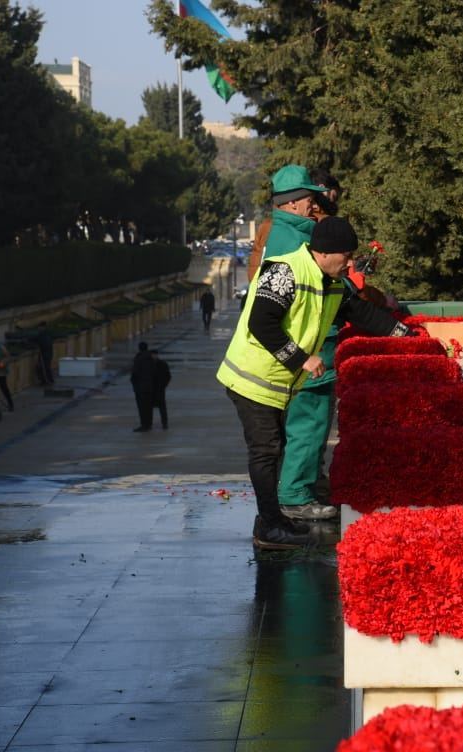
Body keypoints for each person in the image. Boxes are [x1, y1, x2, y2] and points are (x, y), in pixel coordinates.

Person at [217, 213, 412, 550]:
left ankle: (273, 519)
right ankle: (269, 526)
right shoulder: (284, 271)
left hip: (277, 384)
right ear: (324, 252)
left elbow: (359, 313)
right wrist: (301, 359)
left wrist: (404, 334)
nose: (350, 263)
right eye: (346, 256)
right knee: (265, 451)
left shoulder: (331, 283)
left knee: (274, 449)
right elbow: (261, 323)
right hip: (251, 378)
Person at [277, 168, 348, 521]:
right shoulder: (291, 240)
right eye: (310, 197)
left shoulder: (294, 233)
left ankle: (304, 486)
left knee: (314, 426)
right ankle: (295, 495)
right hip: (307, 355)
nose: (315, 203)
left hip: (313, 350)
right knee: (307, 425)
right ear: (290, 203)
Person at [130, 341, 155, 432]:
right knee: (148, 406)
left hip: (140, 387)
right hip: (149, 386)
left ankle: (144, 424)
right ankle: (149, 423)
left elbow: (135, 372)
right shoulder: (151, 358)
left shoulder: (139, 358)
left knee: (142, 407)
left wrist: (133, 382)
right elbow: (154, 371)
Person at [151, 350, 171, 430]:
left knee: (162, 407)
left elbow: (168, 376)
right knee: (152, 407)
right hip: (152, 389)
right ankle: (149, 423)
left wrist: (163, 385)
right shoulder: (150, 364)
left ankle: (164, 423)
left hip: (158, 389)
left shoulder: (162, 364)